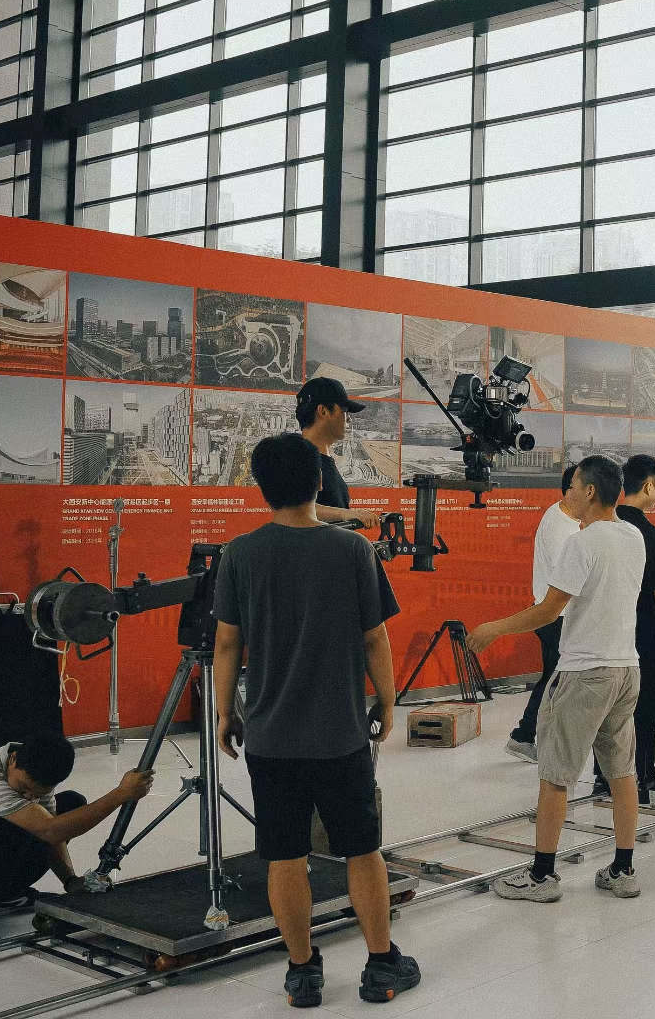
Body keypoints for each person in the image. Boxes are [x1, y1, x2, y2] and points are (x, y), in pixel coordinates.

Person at [212, 432, 420, 1008]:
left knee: (285, 857)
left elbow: (227, 644)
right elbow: (375, 637)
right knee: (362, 851)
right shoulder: (352, 550)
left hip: (271, 737)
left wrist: (226, 712)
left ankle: (302, 972)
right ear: (320, 483)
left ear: (261, 488)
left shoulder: (239, 554)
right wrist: (387, 700)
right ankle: (381, 965)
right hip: (340, 735)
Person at [469, 456, 646, 902]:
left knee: (555, 775)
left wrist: (494, 629)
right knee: (622, 771)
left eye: (573, 487)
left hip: (585, 671)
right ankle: (623, 869)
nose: (568, 494)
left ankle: (542, 876)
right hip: (626, 668)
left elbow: (549, 610)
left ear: (590, 491)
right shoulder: (634, 537)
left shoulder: (581, 544)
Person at [0, 733, 153, 946]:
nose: (28, 795)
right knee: (11, 827)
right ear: (13, 759)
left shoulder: (32, 770)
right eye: (23, 787)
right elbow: (50, 831)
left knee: (70, 804)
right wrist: (120, 794)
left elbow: (53, 830)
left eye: (36, 792)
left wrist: (69, 880)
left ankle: (4, 895)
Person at [590, 454, 655, 804]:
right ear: (648, 486)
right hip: (642, 633)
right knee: (643, 710)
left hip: (607, 632)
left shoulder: (602, 527)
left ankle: (603, 779)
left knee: (608, 712)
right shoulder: (648, 533)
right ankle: (644, 780)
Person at [505, 464, 583, 764]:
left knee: (556, 677)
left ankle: (527, 735)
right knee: (555, 679)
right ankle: (524, 736)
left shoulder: (566, 518)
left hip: (556, 613)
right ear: (571, 490)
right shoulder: (560, 527)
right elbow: (571, 578)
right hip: (555, 615)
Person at [296, 376, 380, 530]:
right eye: (345, 411)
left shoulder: (322, 459)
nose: (349, 419)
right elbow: (297, 508)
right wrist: (345, 514)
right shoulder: (299, 457)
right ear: (323, 411)